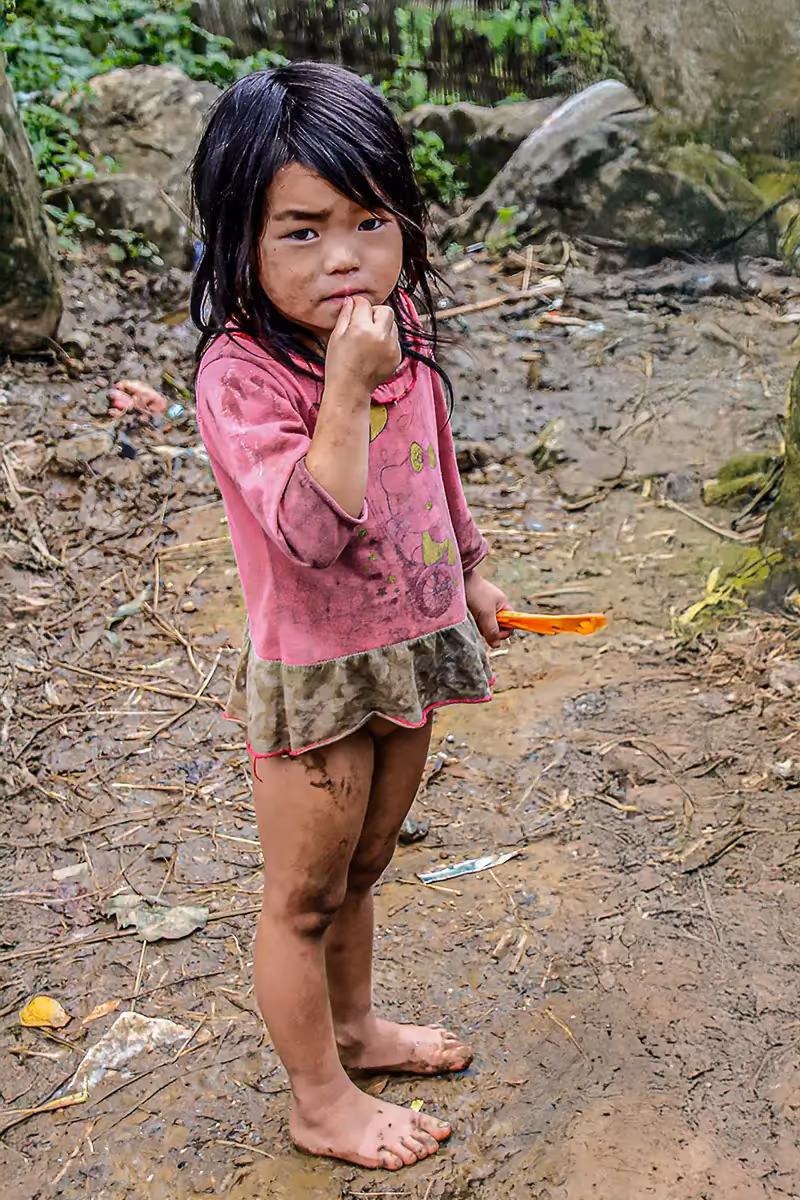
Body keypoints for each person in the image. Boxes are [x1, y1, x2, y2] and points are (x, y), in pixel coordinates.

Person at [190, 60, 510, 1172]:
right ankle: (317, 1098)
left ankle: (357, 1026)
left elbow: (432, 461)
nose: (344, 258)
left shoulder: (397, 321)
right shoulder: (242, 377)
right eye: (300, 231)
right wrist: (339, 384)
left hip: (411, 644)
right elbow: (313, 533)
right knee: (304, 897)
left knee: (366, 869)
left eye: (370, 220)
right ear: (237, 239)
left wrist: (466, 569)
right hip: (319, 673)